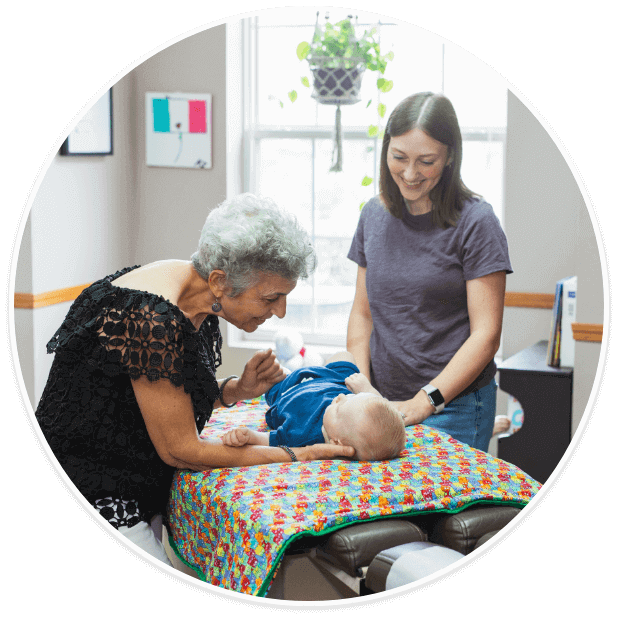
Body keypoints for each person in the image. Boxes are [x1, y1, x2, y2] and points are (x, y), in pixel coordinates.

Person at [34, 193, 355, 567]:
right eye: (272, 297)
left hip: (132, 483)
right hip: (92, 490)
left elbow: (156, 394)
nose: (280, 311)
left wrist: (238, 390)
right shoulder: (150, 318)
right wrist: (298, 455)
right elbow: (181, 450)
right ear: (220, 281)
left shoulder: (192, 295)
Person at [347, 92, 512, 453]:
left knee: (438, 510)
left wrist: (426, 400)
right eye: (399, 157)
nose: (409, 173)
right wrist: (362, 391)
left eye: (426, 161)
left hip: (455, 406)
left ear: (450, 156)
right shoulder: (373, 215)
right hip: (382, 401)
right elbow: (362, 314)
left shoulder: (477, 222)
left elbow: (487, 334)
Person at [221, 351, 407, 462]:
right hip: (332, 380)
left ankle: (290, 369)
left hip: (288, 390)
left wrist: (249, 436)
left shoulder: (305, 436)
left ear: (336, 442)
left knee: (271, 378)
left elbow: (270, 440)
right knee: (345, 356)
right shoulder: (350, 408)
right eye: (349, 398)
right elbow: (390, 416)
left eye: (339, 408)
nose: (341, 398)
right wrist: (365, 389)